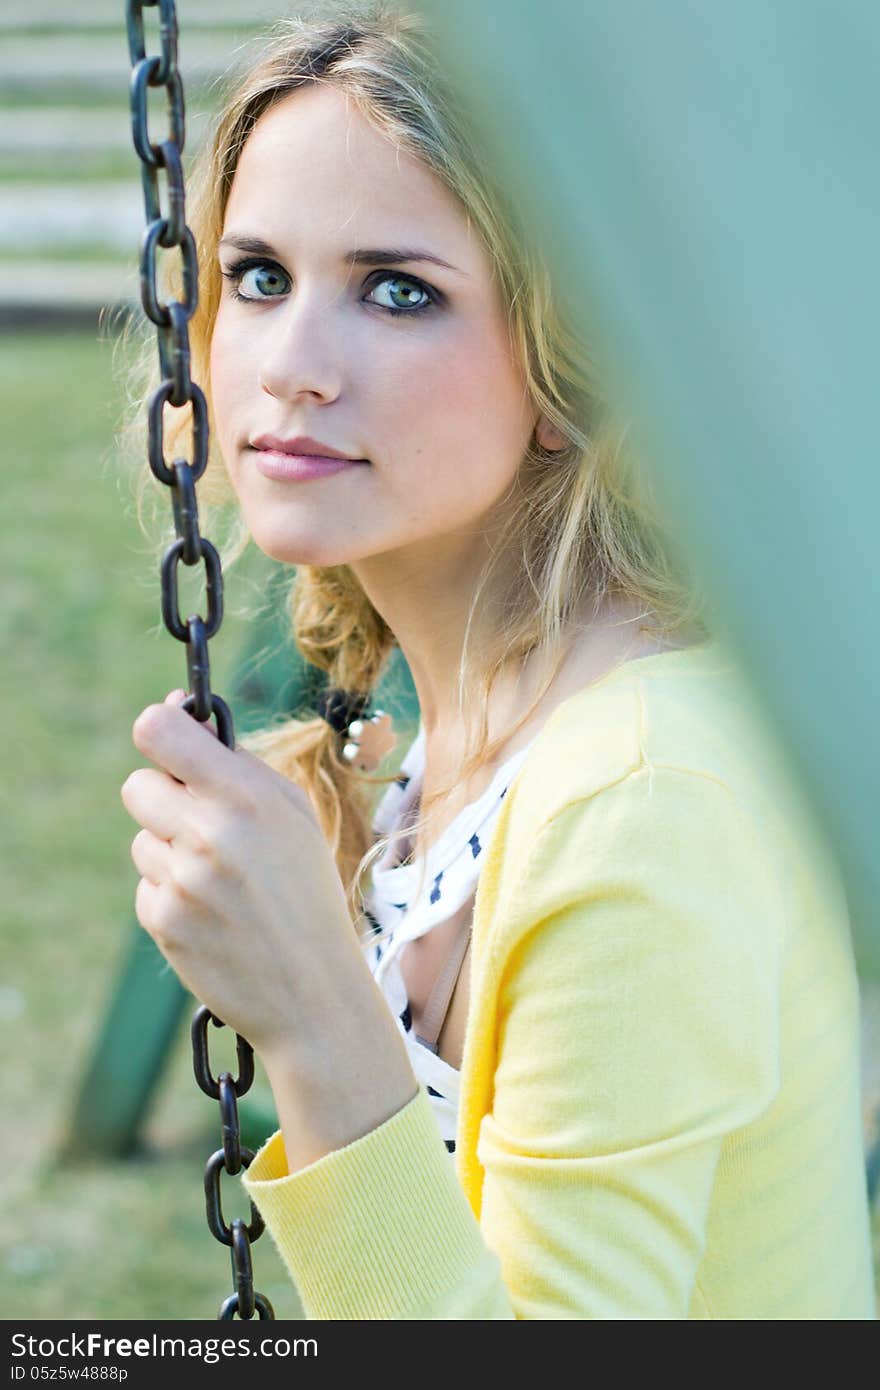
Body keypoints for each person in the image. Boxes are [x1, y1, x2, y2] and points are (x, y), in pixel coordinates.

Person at [118, 1, 876, 1318]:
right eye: (256, 277)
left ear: (573, 361)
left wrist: (311, 1016)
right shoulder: (463, 722)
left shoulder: (643, 795)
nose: (289, 366)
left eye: (399, 290)